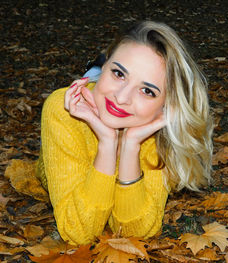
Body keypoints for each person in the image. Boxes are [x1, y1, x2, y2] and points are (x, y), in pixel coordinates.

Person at [35, 21, 213, 245]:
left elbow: (135, 232)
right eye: (119, 73)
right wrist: (106, 144)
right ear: (106, 63)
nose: (122, 97)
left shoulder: (160, 131)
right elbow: (78, 233)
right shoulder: (65, 110)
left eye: (147, 91)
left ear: (166, 106)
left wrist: (131, 145)